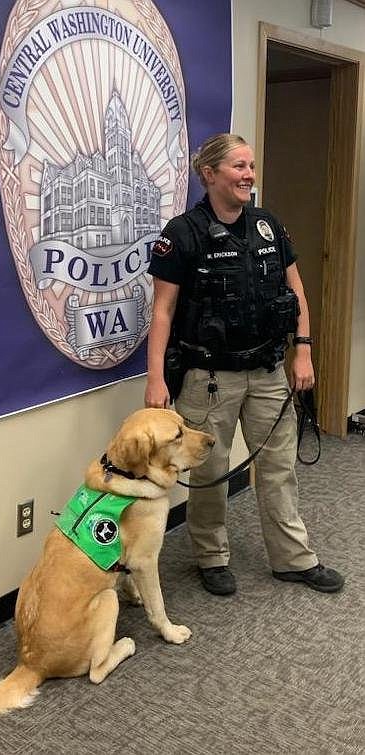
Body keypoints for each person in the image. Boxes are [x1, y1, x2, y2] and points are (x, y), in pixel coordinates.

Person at [145, 133, 344, 595]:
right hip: (209, 376)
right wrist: (156, 380)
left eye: (251, 166)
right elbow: (163, 312)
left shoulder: (267, 225)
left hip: (269, 371)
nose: (248, 176)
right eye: (238, 167)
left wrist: (304, 350)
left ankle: (293, 558)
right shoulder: (183, 234)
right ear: (209, 174)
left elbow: (296, 293)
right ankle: (211, 556)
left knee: (278, 466)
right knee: (210, 470)